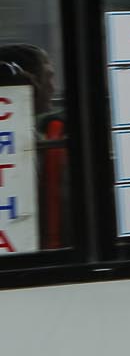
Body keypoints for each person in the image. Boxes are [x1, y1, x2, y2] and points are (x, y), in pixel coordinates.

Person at [0, 44, 63, 249]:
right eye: (48, 77)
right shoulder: (16, 142)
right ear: (30, 83)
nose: (53, 87)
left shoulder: (39, 135)